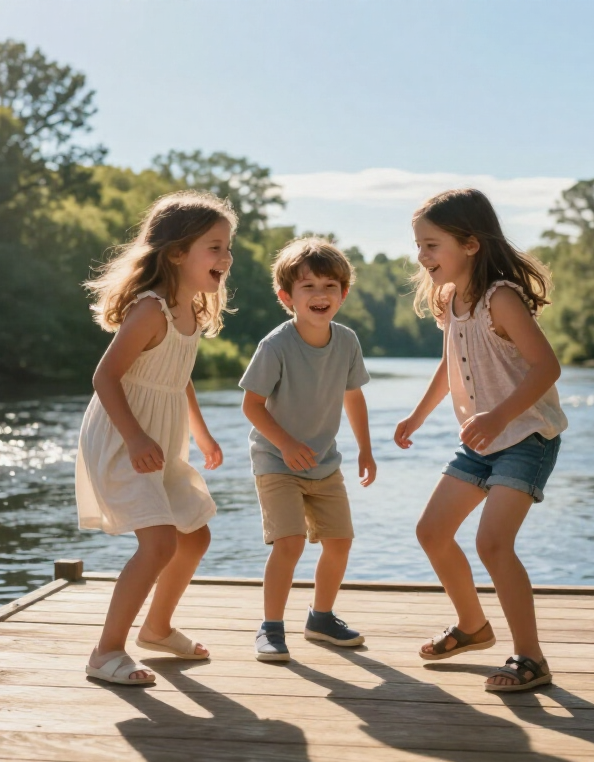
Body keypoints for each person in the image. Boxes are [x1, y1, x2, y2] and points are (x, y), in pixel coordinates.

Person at [394, 188, 568, 692]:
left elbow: (546, 367)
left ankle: (531, 658)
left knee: (492, 543)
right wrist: (417, 415)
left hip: (527, 436)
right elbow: (449, 364)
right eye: (419, 246)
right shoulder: (451, 299)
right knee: (431, 531)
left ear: (470, 244)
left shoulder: (501, 298)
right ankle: (473, 626)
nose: (422, 257)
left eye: (431, 245)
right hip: (483, 443)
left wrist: (497, 416)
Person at [76, 190, 235, 685]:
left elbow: (176, 374)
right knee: (159, 543)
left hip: (161, 437)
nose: (226, 258)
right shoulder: (149, 310)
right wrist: (138, 438)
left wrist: (202, 433)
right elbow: (105, 378)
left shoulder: (193, 310)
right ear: (176, 254)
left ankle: (158, 627)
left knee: (196, 534)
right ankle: (105, 653)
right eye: (215, 247)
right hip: (123, 434)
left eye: (228, 247)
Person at [240, 237, 375, 663]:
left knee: (340, 542)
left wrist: (365, 451)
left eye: (330, 286)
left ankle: (320, 618)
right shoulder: (276, 345)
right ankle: (271, 628)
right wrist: (286, 443)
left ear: (344, 294)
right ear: (287, 297)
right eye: (308, 287)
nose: (320, 295)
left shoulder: (347, 341)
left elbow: (354, 397)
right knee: (290, 542)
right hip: (276, 460)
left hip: (324, 462)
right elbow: (251, 405)